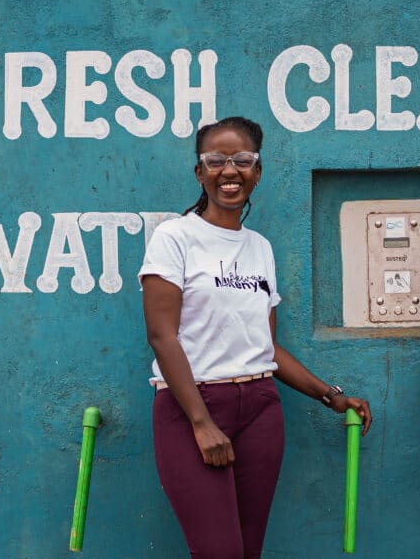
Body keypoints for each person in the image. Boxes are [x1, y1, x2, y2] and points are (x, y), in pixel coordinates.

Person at [140, 116, 372, 559]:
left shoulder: (259, 248)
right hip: (191, 408)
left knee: (248, 551)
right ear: (199, 172)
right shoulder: (175, 238)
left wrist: (330, 395)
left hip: (260, 410)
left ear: (257, 171)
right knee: (219, 552)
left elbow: (266, 349)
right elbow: (161, 335)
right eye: (216, 161)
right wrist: (202, 423)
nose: (230, 171)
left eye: (242, 160)